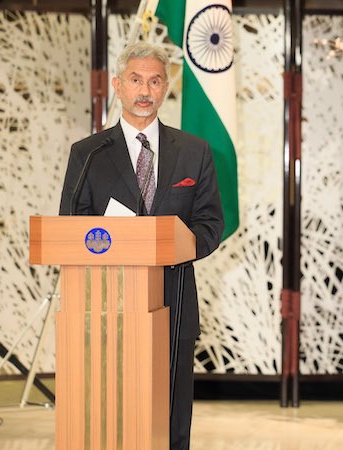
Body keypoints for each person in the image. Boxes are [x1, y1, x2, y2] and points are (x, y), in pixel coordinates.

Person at [59, 42, 224, 450]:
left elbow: (210, 224)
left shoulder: (195, 152)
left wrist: (169, 247)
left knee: (171, 417)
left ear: (166, 87)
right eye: (135, 80)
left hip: (175, 299)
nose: (144, 90)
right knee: (109, 412)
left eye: (154, 80)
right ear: (118, 85)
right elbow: (71, 225)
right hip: (105, 304)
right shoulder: (88, 153)